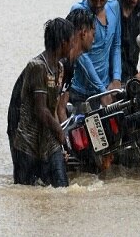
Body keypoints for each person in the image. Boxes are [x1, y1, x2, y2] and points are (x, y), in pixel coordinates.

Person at [8, 9, 95, 162]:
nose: (94, 38)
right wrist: (61, 138)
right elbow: (49, 109)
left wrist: (65, 143)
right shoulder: (58, 62)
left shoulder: (70, 64)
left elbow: (60, 108)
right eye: (93, 33)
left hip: (41, 114)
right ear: (83, 32)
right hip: (22, 117)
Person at [12, 18, 73, 187]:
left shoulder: (60, 68)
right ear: (63, 43)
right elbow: (41, 110)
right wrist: (60, 131)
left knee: (63, 189)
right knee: (26, 193)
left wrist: (61, 143)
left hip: (49, 143)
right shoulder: (37, 67)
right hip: (28, 144)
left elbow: (52, 108)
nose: (73, 46)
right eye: (71, 41)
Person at [69, 0, 122, 107]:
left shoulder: (114, 6)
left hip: (106, 87)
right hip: (80, 91)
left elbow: (116, 44)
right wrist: (101, 91)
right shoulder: (78, 11)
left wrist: (116, 77)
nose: (98, 3)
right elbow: (81, 55)